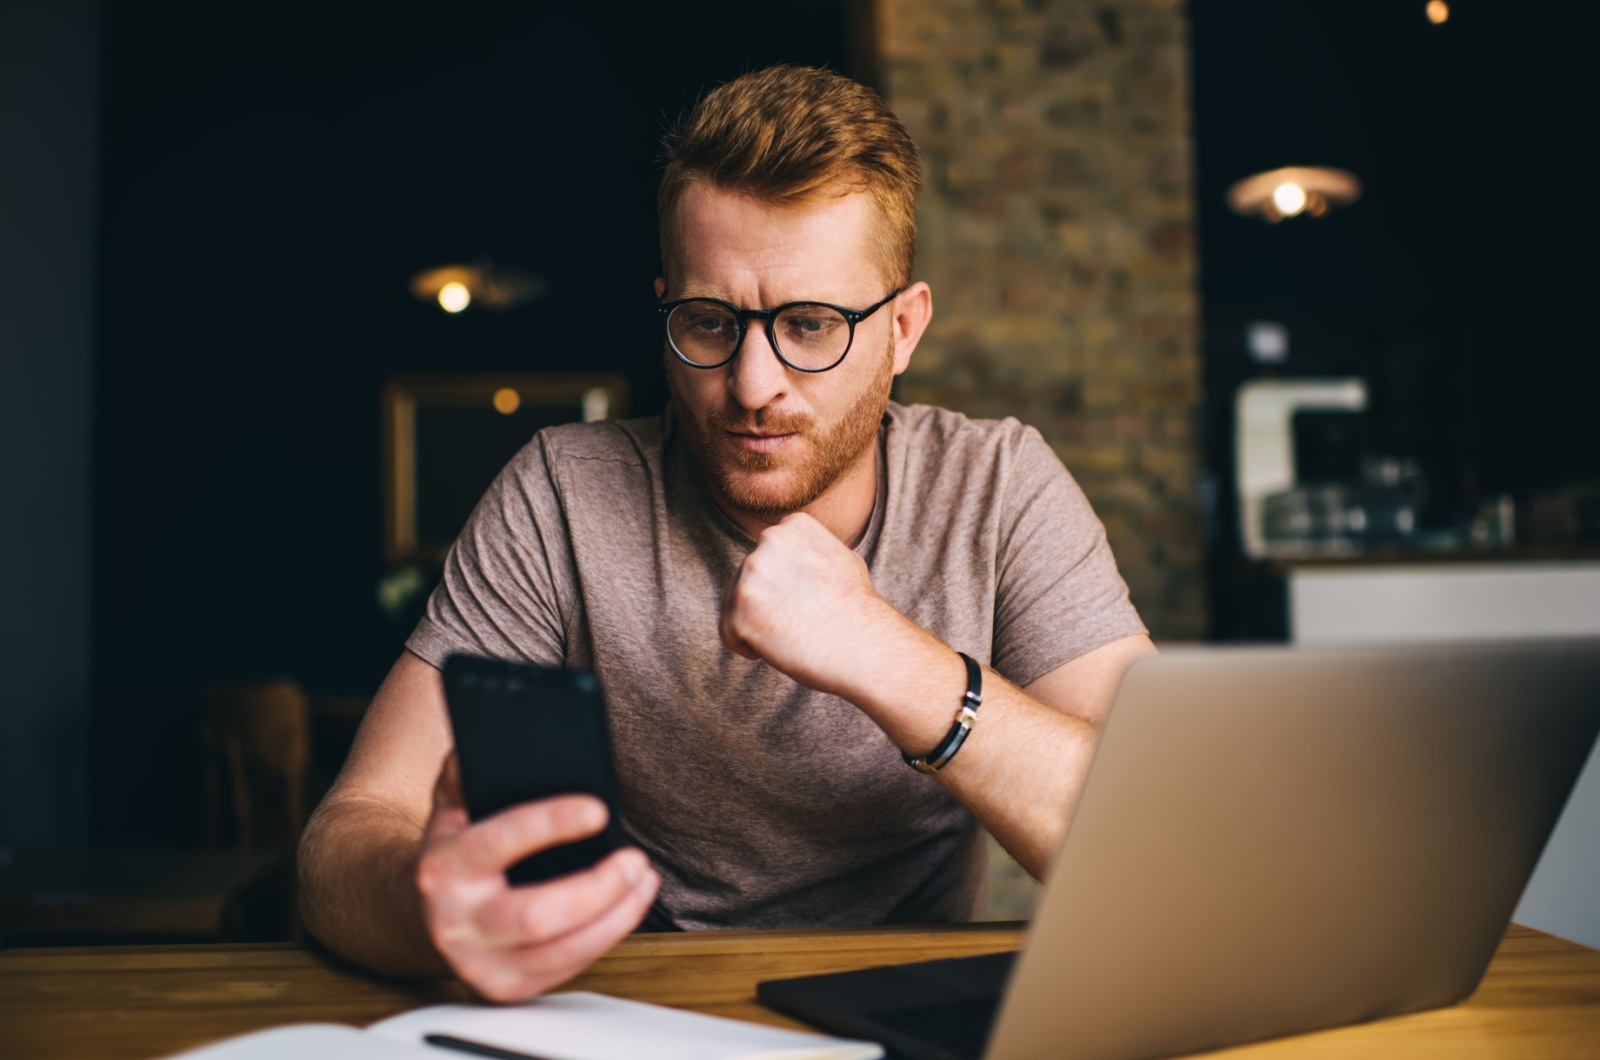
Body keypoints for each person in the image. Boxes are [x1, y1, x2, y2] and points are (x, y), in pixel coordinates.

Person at [298, 64, 1154, 1003]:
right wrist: (431, 908)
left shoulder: (997, 488)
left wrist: (892, 659)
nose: (752, 384)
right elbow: (349, 832)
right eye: (708, 322)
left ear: (904, 329)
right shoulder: (562, 492)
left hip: (899, 1008)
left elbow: (1161, 847)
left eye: (812, 324)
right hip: (629, 1013)